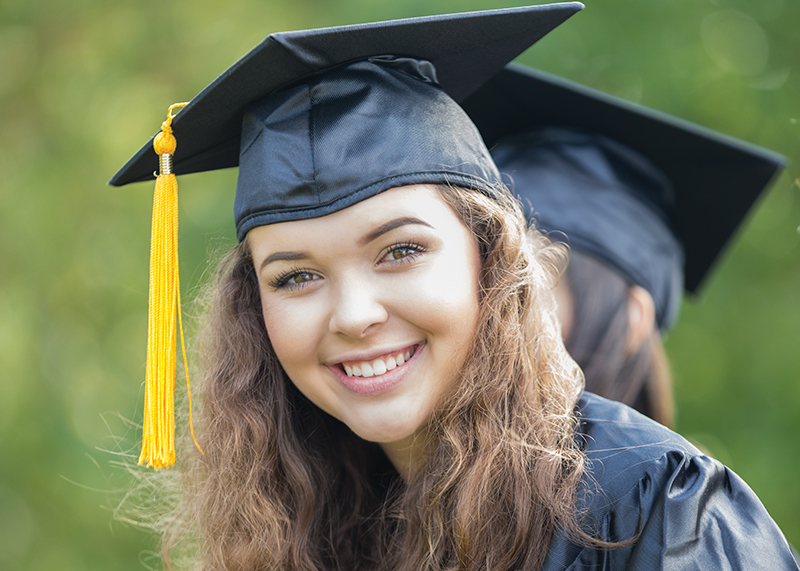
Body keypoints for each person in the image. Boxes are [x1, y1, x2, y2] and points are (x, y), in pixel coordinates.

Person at [110, 7, 798, 571]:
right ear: (252, 312)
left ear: (490, 260)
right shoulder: (297, 529)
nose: (352, 314)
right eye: (296, 276)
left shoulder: (657, 512)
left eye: (401, 250)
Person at [462, 64, 787, 428]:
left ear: (634, 320)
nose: (489, 309)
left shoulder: (685, 485)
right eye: (484, 275)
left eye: (523, 286)